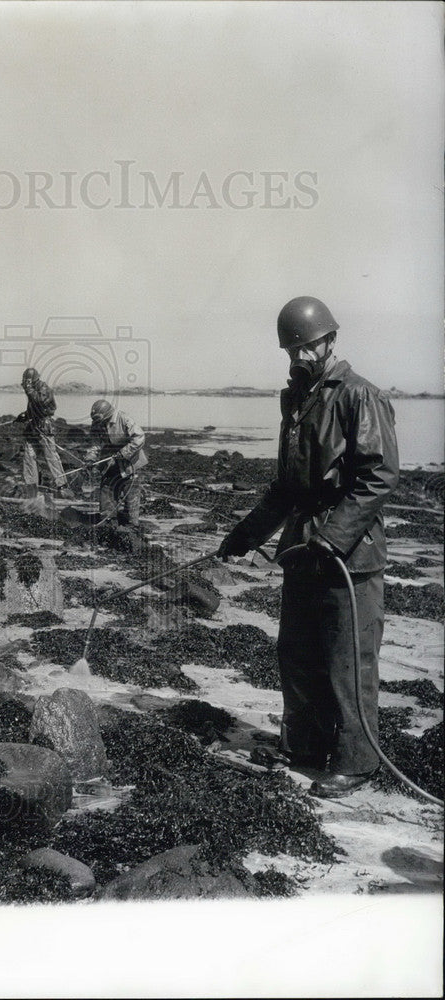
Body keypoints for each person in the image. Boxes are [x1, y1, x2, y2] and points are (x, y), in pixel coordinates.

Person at [217, 296, 399, 798]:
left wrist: (333, 538)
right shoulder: (296, 400)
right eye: (291, 349)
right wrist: (246, 534)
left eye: (308, 346)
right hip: (302, 550)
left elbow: (379, 477)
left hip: (350, 557)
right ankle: (304, 748)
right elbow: (286, 488)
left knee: (348, 661)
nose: (300, 356)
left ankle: (357, 762)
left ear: (330, 340)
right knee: (297, 654)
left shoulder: (360, 395)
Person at [85, 399, 147, 526]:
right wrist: (90, 458)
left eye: (101, 421)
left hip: (131, 462)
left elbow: (139, 437)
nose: (99, 424)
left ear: (107, 415)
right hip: (111, 462)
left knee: (131, 493)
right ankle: (108, 521)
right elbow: (95, 444)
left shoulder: (124, 419)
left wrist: (124, 452)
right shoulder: (97, 424)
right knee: (107, 489)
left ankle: (132, 524)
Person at [15, 367, 73, 497]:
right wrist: (25, 415)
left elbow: (40, 402)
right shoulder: (34, 390)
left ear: (31, 381)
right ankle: (31, 488)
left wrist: (29, 389)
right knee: (29, 457)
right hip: (33, 428)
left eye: (26, 383)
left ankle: (62, 486)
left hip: (44, 428)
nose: (25, 386)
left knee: (51, 457)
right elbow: (35, 407)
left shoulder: (43, 389)